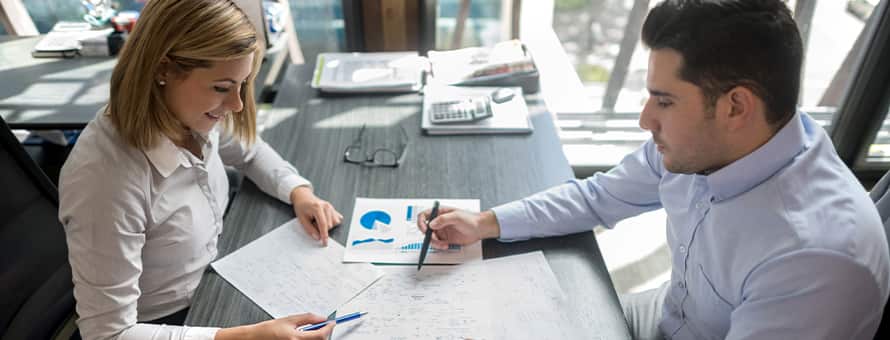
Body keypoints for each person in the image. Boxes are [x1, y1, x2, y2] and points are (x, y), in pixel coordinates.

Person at [418, 0, 890, 338]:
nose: (646, 120)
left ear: (735, 106)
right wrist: (485, 223)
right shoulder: (702, 145)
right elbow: (596, 197)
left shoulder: (817, 261)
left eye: (664, 101)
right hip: (667, 317)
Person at [58, 1, 342, 339]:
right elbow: (109, 334)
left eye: (242, 84)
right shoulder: (105, 182)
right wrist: (247, 337)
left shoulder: (184, 112)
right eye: (222, 87)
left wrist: (299, 192)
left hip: (215, 276)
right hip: (166, 321)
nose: (236, 104)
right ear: (163, 69)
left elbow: (249, 151)